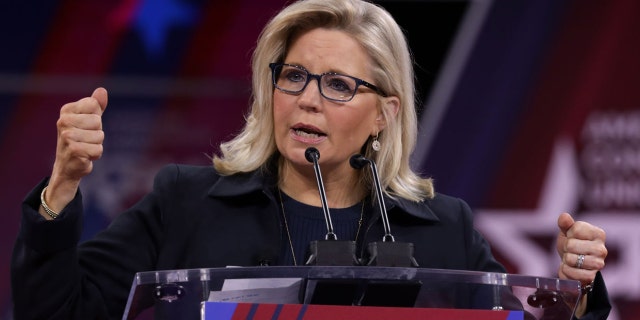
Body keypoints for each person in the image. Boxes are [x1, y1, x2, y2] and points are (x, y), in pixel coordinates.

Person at [11, 0, 610, 319]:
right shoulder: (185, 203)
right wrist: (61, 188)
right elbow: (56, 310)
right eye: (293, 76)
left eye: (338, 86)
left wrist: (575, 293)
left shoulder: (442, 229)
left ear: (385, 113)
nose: (307, 99)